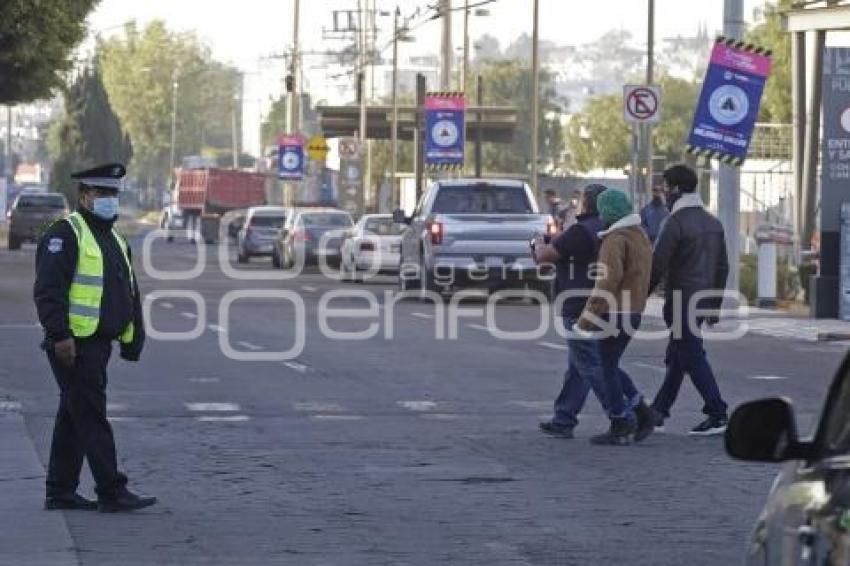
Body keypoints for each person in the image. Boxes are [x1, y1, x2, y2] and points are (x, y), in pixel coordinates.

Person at [34, 163, 157, 512]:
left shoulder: (114, 239)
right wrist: (60, 336)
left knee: (73, 416)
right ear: (84, 196)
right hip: (73, 346)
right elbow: (48, 291)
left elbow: (128, 292)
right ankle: (111, 490)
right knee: (90, 415)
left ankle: (60, 490)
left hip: (97, 344)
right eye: (102, 193)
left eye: (114, 194)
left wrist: (134, 337)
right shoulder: (65, 233)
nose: (109, 200)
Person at [648, 164, 730, 436]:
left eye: (666, 186)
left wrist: (639, 296)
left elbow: (657, 264)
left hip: (682, 299)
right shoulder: (713, 222)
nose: (664, 192)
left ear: (677, 189)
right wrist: (715, 305)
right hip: (702, 300)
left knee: (691, 355)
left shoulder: (675, 222)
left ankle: (717, 411)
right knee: (679, 355)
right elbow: (722, 268)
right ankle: (658, 411)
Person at [573, 188, 655, 445]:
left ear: (607, 213)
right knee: (611, 364)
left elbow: (606, 281)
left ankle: (621, 422)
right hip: (633, 311)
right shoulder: (640, 236)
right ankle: (642, 411)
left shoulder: (614, 239)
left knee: (606, 367)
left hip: (614, 312)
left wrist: (586, 319)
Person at [533, 184, 605, 438]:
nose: (577, 204)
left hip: (578, 304)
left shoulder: (581, 230)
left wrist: (539, 242)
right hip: (600, 301)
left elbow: (545, 256)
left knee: (593, 366)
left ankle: (628, 412)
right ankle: (564, 418)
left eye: (581, 200)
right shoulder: (607, 228)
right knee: (580, 365)